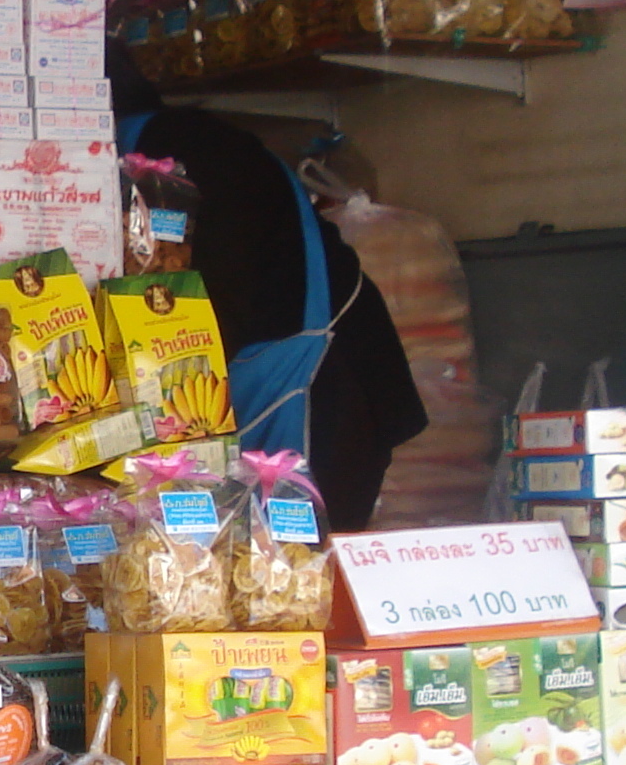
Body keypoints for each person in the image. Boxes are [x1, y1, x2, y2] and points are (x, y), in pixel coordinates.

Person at [111, 49, 427, 527]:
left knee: (299, 581)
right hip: (294, 379)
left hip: (319, 388)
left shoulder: (184, 151)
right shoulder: (172, 143)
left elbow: (206, 303)